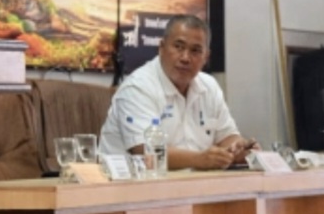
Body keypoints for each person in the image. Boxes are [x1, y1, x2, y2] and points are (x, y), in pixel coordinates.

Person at [99, 14, 257, 170]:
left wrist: (237, 149)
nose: (185, 58)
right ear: (161, 47)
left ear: (206, 57)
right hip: (131, 183)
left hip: (193, 182)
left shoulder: (210, 86)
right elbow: (146, 152)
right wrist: (200, 160)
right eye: (178, 47)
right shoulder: (138, 87)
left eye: (195, 50)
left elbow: (227, 136)